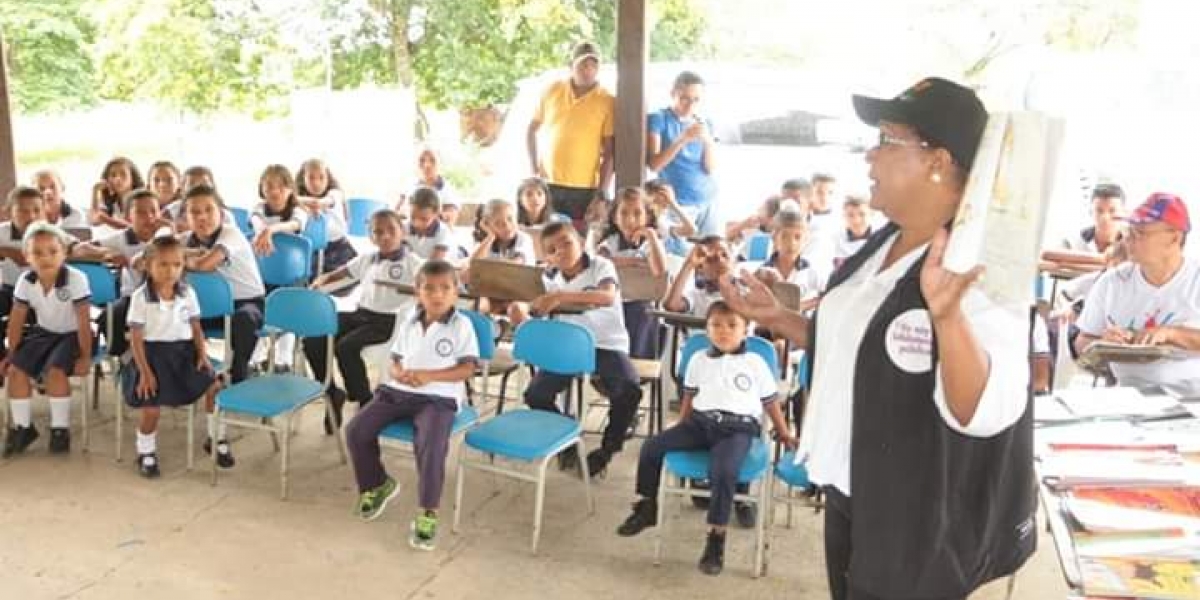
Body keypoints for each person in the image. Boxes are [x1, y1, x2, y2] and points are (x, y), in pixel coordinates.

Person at [720, 78, 1034, 600]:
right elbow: (860, 346)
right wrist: (777, 317)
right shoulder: (887, 239)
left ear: (938, 160)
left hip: (915, 520)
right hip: (853, 489)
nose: (870, 156)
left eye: (888, 140)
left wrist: (950, 318)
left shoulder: (982, 263)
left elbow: (985, 409)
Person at [616, 301, 797, 576]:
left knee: (723, 471)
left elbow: (770, 402)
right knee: (652, 446)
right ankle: (648, 505)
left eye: (731, 325)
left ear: (745, 330)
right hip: (699, 424)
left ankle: (716, 537)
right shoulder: (698, 359)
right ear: (707, 330)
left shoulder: (755, 362)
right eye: (716, 325)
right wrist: (680, 426)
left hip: (737, 428)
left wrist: (783, 431)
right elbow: (688, 396)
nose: (723, 331)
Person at [344, 259, 478, 551]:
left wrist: (430, 376)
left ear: (456, 292)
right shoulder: (409, 318)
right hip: (397, 391)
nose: (437, 295)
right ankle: (376, 484)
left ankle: (428, 511)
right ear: (418, 292)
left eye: (445, 288)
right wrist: (397, 372)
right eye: (429, 288)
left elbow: (468, 369)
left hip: (439, 398)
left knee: (430, 442)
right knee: (356, 430)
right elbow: (395, 358)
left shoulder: (462, 324)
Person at [525, 222, 642, 476]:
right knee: (535, 394)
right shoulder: (548, 277)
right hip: (567, 346)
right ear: (547, 257)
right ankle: (565, 436)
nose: (562, 251)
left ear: (580, 242)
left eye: (567, 243)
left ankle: (608, 448)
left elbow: (607, 296)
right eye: (552, 249)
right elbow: (534, 309)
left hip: (605, 344)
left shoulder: (601, 265)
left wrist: (560, 297)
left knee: (629, 389)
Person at [121, 236, 229, 478]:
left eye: (176, 265)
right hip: (151, 356)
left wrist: (202, 354)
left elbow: (196, 327)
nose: (170, 271)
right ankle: (145, 451)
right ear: (148, 266)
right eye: (162, 265)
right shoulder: (140, 297)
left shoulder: (187, 292)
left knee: (215, 387)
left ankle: (216, 437)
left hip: (184, 352)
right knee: (151, 407)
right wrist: (145, 373)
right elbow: (136, 338)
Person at [307, 209, 422, 433]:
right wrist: (323, 280)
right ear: (371, 236)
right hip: (360, 314)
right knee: (314, 339)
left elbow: (431, 281)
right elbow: (343, 272)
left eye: (391, 230)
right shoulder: (369, 258)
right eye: (378, 232)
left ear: (402, 232)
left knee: (345, 347)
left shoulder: (412, 262)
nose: (385, 236)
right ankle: (331, 391)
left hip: (387, 322)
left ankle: (364, 399)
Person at [1075, 193, 1200, 396]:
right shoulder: (1112, 282)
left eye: (1140, 233)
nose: (1128, 240)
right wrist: (1102, 343)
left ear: (1175, 238)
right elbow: (1083, 341)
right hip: (1127, 396)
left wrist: (1173, 334)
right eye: (1128, 232)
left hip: (1193, 398)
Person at [2, 223, 92, 457]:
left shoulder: (76, 279)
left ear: (64, 252)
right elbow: (16, 320)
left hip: (72, 335)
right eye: (37, 253)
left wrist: (85, 356)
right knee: (16, 371)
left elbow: (83, 321)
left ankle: (59, 429)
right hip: (43, 332)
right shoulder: (26, 281)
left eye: (53, 251)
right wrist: (11, 354)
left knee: (55, 371)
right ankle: (23, 428)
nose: (46, 258)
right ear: (27, 257)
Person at [526, 41, 615, 234]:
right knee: (546, 237)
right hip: (548, 182)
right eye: (583, 64)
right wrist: (534, 169)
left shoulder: (607, 100)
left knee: (576, 239)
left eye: (594, 65)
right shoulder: (552, 90)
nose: (588, 70)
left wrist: (602, 192)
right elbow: (531, 129)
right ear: (571, 66)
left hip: (583, 188)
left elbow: (610, 151)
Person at [181, 185, 266, 384]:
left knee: (244, 320)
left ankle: (239, 375)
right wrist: (185, 254)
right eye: (195, 212)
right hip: (208, 309)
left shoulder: (231, 235)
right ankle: (191, 373)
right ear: (186, 217)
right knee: (171, 314)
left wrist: (184, 259)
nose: (202, 217)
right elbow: (148, 257)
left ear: (221, 212)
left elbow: (205, 264)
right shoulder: (184, 240)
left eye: (208, 210)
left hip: (246, 303)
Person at [596, 187, 667, 360]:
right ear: (614, 217)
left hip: (641, 308)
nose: (630, 219)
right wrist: (637, 262)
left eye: (637, 213)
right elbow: (601, 262)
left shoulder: (651, 243)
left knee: (643, 313)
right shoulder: (611, 242)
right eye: (624, 213)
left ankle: (636, 365)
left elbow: (659, 270)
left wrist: (651, 235)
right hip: (614, 304)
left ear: (648, 217)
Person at [93, 190, 164, 357]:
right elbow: (82, 248)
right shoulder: (121, 238)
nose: (149, 217)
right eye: (140, 212)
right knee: (110, 318)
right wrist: (106, 253)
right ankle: (127, 358)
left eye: (153, 211)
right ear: (128, 216)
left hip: (165, 296)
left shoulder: (166, 236)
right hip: (132, 297)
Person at [251, 165, 307, 374]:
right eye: (269, 186)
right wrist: (262, 230)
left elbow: (294, 225)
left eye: (281, 186)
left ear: (291, 189)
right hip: (262, 278)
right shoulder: (258, 210)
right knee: (256, 311)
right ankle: (255, 358)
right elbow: (256, 222)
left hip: (292, 277)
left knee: (288, 309)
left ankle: (284, 360)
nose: (275, 191)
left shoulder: (298, 211)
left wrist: (271, 230)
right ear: (262, 189)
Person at [647, 71, 718, 236]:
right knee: (679, 254)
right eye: (685, 98)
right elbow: (654, 164)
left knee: (710, 250)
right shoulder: (659, 118)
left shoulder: (705, 122)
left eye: (696, 100)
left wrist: (707, 141)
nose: (690, 105)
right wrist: (683, 139)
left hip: (707, 198)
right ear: (673, 94)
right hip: (677, 202)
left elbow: (710, 168)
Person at [296, 158, 358, 274]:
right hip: (312, 251)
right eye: (311, 178)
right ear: (303, 179)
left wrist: (293, 199)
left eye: (321, 177)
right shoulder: (300, 199)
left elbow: (317, 203)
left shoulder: (335, 194)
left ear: (328, 179)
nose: (316, 183)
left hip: (338, 249)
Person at [1063, 183, 1125, 254]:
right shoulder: (1071, 243)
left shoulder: (1132, 248)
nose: (1105, 218)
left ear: (1123, 213)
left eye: (1112, 211)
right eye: (1099, 210)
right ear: (1090, 212)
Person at [644, 179, 697, 257]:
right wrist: (673, 204)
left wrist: (673, 204)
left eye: (671, 196)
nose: (669, 199)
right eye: (666, 195)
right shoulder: (658, 220)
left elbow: (691, 230)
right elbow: (690, 230)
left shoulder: (666, 216)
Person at [92, 157, 142, 229]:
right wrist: (95, 191)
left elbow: (134, 230)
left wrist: (105, 219)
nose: (118, 179)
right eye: (113, 175)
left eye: (123, 174)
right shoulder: (112, 202)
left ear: (133, 178)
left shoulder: (141, 200)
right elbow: (94, 221)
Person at [405, 187, 453, 261]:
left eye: (424, 219)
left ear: (436, 215)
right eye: (413, 217)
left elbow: (434, 264)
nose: (416, 224)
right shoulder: (401, 228)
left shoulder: (443, 232)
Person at [833, 195, 874, 269]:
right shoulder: (834, 241)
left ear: (871, 214)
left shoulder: (882, 239)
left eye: (862, 214)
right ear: (844, 216)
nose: (856, 221)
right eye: (850, 215)